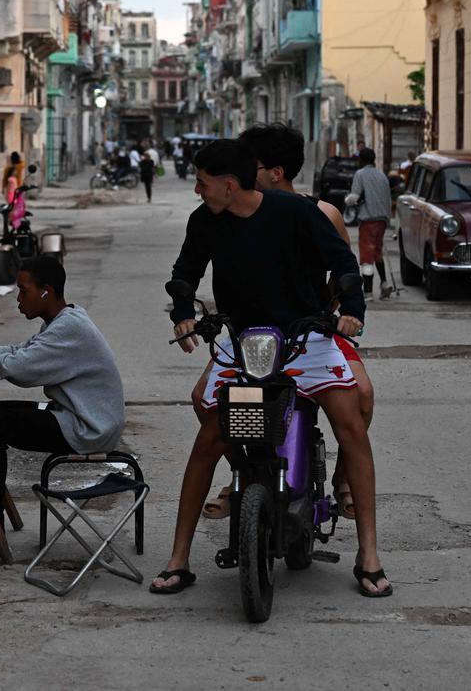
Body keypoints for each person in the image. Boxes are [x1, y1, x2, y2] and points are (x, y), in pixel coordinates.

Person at [151, 139, 390, 598]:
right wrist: (183, 311)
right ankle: (179, 558)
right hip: (248, 344)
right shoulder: (204, 221)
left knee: (351, 425)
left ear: (228, 185)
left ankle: (370, 555)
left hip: (307, 340)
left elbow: (342, 263)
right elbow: (185, 271)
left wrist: (352, 308)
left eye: (201, 183)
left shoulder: (295, 213)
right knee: (209, 436)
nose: (197, 191)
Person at [0, 256, 126, 562]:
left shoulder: (69, 329)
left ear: (47, 291)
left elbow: (21, 368)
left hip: (88, 429)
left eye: (23, 290)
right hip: (74, 417)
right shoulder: (63, 321)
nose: (18, 298)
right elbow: (22, 351)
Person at [238, 123, 372, 521]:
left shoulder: (324, 213)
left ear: (275, 172)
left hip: (312, 330)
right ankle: (240, 474)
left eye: (251, 165)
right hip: (255, 335)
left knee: (362, 396)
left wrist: (339, 312)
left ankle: (343, 479)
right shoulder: (240, 214)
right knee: (205, 400)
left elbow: (342, 274)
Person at [346, 148, 394, 301]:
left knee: (367, 255)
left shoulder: (360, 174)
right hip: (383, 219)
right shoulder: (382, 176)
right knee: (377, 251)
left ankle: (367, 292)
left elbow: (354, 197)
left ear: (361, 160)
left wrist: (346, 200)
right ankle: (384, 284)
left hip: (368, 219)